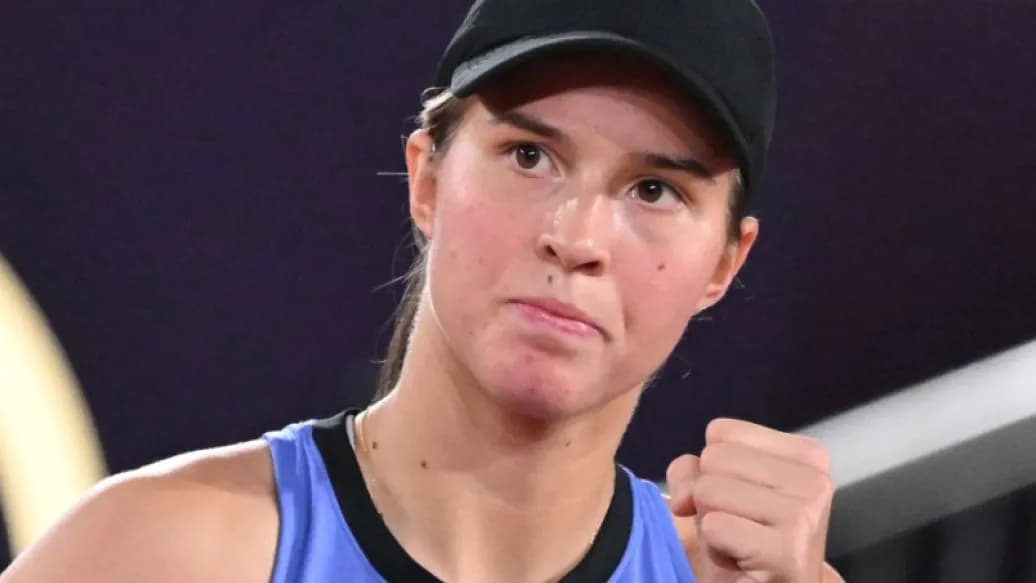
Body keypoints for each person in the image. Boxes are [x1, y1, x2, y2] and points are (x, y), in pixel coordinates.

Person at [1, 0, 846, 581]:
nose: (578, 236)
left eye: (655, 190)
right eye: (529, 156)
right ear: (427, 178)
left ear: (725, 263)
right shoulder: (164, 554)